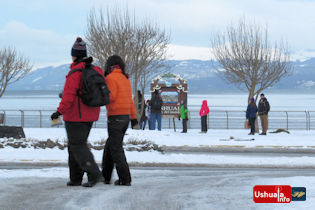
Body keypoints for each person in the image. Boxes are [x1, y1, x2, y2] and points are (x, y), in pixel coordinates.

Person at [51, 37, 102, 187]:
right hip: (91, 114)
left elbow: (69, 95)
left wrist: (59, 112)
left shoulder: (75, 72)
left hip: (75, 116)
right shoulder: (95, 70)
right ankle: (75, 178)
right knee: (75, 146)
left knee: (77, 146)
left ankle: (93, 173)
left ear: (74, 55)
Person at [102, 55, 138, 186]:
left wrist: (100, 94)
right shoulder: (125, 79)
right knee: (110, 146)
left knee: (116, 149)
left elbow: (111, 97)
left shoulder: (110, 78)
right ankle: (105, 176)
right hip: (125, 118)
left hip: (115, 117)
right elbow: (130, 101)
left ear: (110, 66)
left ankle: (125, 178)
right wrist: (134, 118)